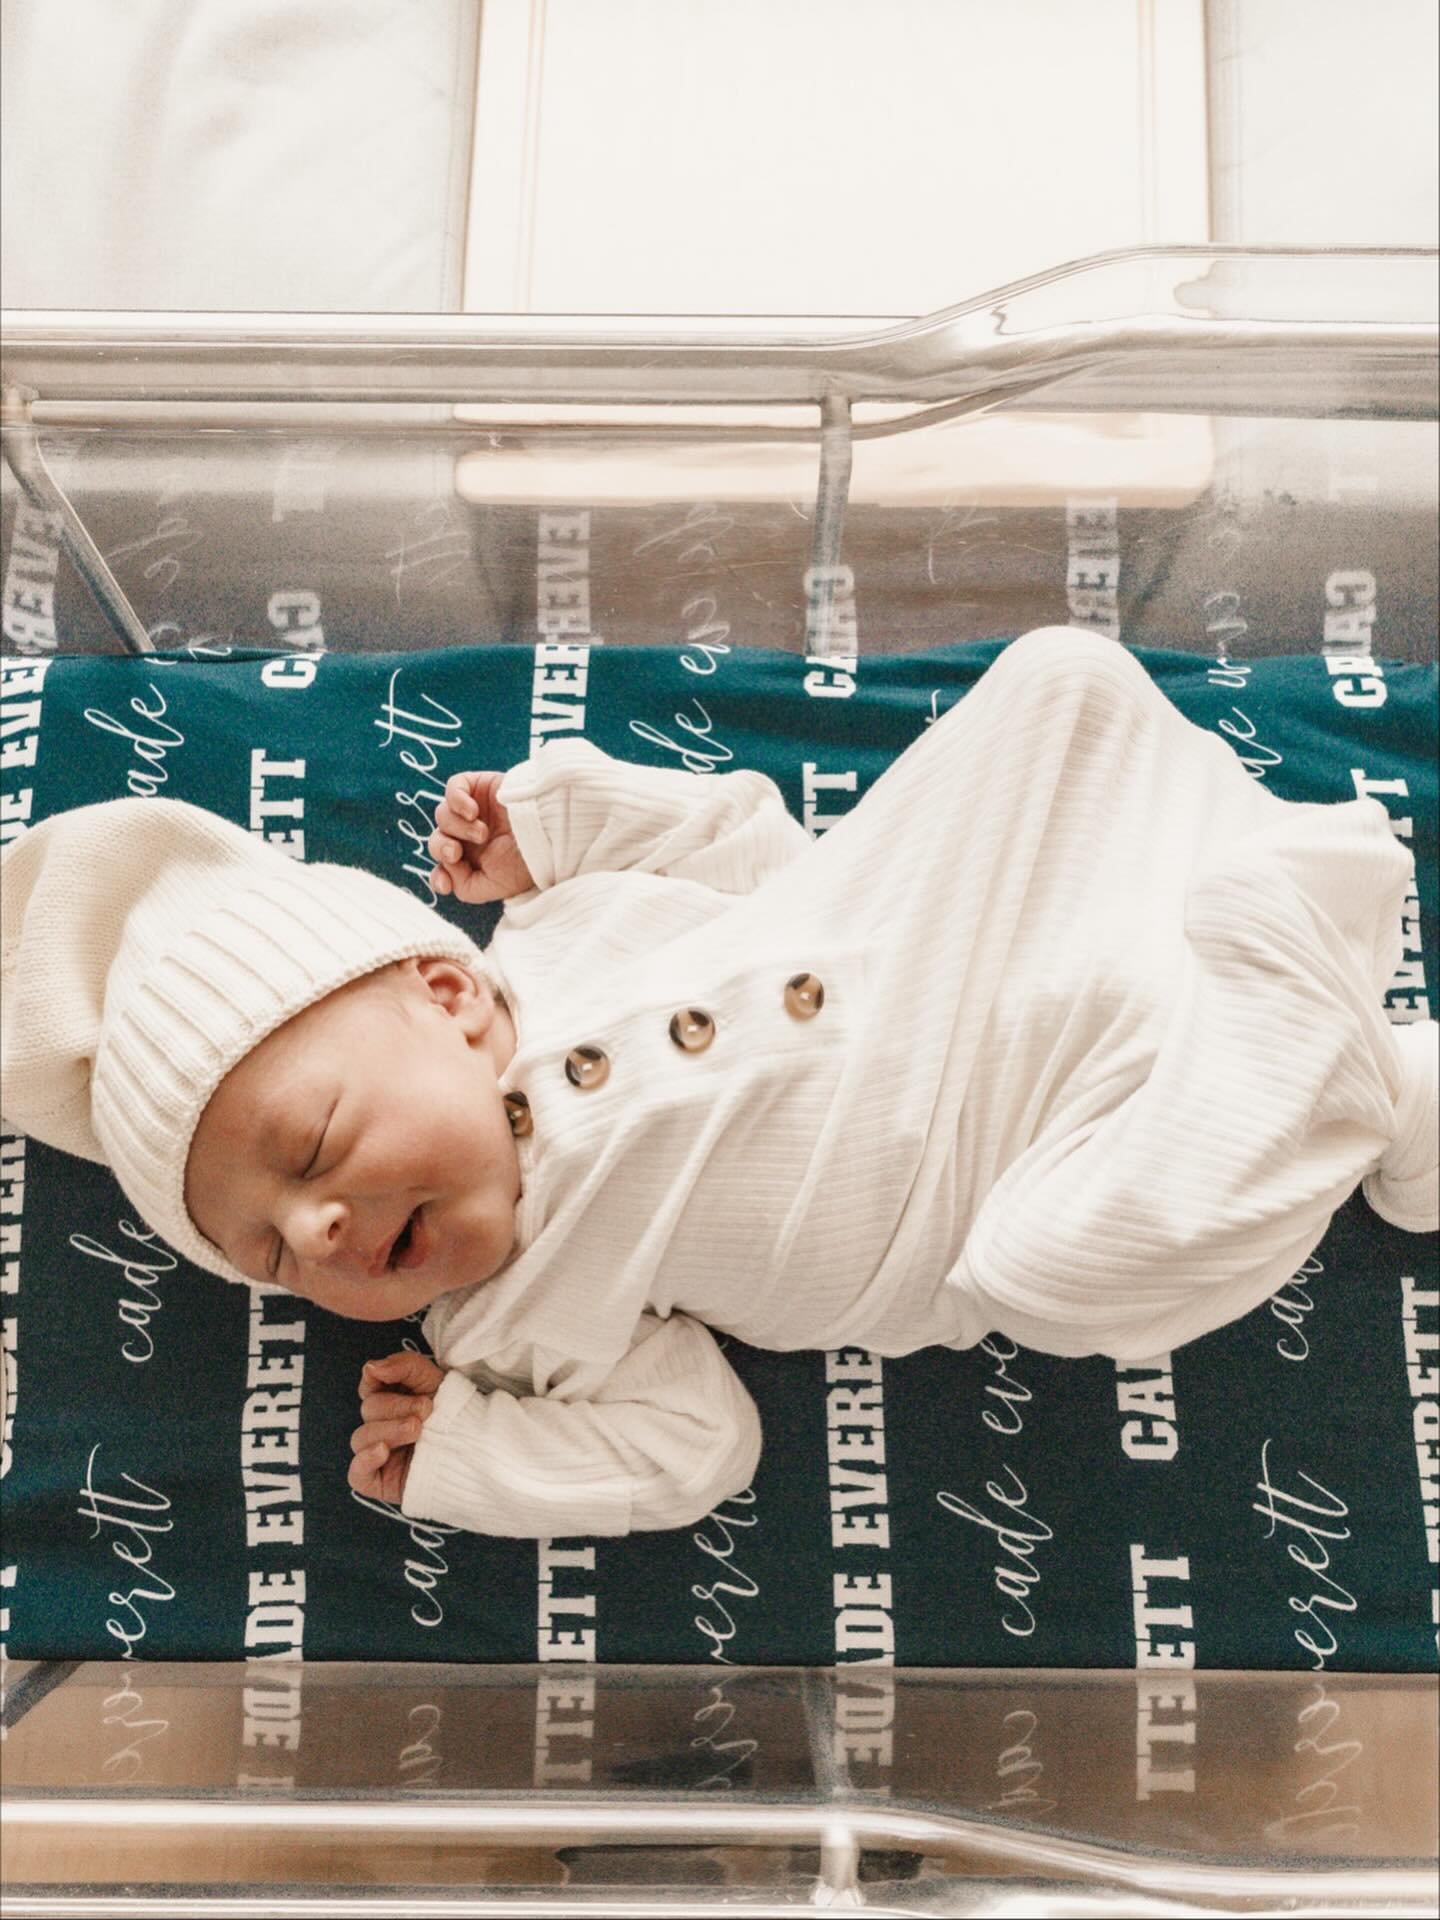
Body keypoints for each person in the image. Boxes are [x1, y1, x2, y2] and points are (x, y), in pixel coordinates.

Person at [3, 628, 1435, 1538]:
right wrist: (474, 1460)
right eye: (267, 1252)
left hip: (976, 943)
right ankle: (1328, 1013)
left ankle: (1319, 1032)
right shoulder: (510, 1320)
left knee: (1060, 683)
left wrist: (572, 825)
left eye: (310, 1147)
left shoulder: (562, 931)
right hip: (1017, 1169)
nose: (314, 1234)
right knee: (1069, 1279)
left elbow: (755, 856)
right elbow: (698, 1449)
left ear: (447, 996)